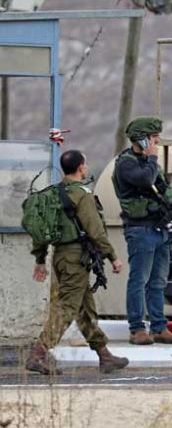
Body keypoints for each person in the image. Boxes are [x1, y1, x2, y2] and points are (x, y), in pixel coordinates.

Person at [27, 150, 129, 375]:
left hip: (61, 257)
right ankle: (38, 354)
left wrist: (41, 259)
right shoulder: (82, 194)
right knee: (68, 307)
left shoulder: (54, 193)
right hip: (75, 258)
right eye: (85, 164)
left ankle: (104, 355)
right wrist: (112, 256)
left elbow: (42, 231)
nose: (86, 167)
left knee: (84, 309)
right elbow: (95, 230)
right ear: (81, 167)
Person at [112, 117, 172, 345]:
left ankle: (159, 327)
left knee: (158, 281)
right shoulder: (126, 163)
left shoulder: (149, 163)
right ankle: (137, 329)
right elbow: (145, 180)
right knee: (139, 280)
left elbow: (162, 188)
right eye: (153, 137)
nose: (157, 141)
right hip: (140, 230)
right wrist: (152, 157)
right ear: (141, 139)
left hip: (160, 228)